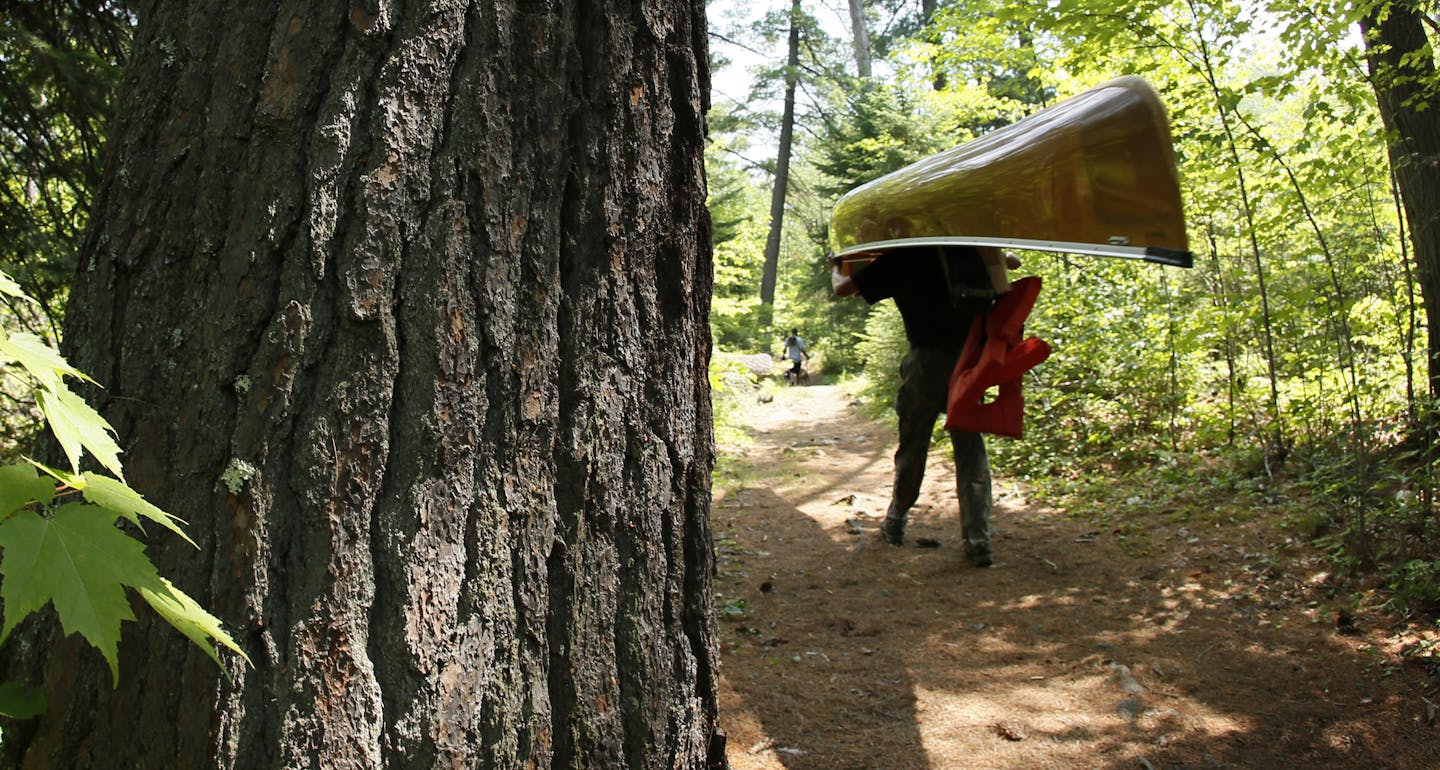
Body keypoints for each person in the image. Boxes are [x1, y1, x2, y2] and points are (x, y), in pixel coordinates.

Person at [831, 245, 1020, 567]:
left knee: (913, 445)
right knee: (970, 448)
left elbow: (843, 288)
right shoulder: (969, 249)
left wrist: (836, 265)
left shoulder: (899, 258)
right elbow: (1013, 263)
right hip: (970, 362)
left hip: (924, 364)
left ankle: (895, 521)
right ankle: (978, 541)